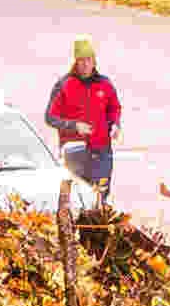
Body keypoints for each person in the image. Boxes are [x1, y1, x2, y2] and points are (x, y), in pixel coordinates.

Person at [42, 39, 120, 218]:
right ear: (75, 62)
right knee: (78, 199)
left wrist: (115, 124)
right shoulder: (64, 85)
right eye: (81, 60)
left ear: (94, 61)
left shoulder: (105, 84)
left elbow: (114, 108)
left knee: (100, 197)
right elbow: (50, 117)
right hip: (74, 151)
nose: (85, 64)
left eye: (88, 60)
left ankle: (97, 238)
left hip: (101, 150)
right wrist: (74, 126)